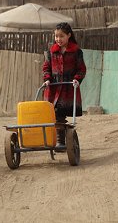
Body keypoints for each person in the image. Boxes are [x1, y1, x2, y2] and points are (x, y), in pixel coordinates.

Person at [42, 22, 86, 150]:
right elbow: (46, 67)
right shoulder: (52, 51)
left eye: (61, 36)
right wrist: (47, 79)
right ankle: (60, 140)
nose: (58, 39)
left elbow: (81, 69)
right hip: (53, 88)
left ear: (69, 36)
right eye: (56, 36)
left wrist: (77, 80)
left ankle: (62, 140)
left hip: (68, 88)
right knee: (54, 114)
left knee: (61, 114)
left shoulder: (76, 52)